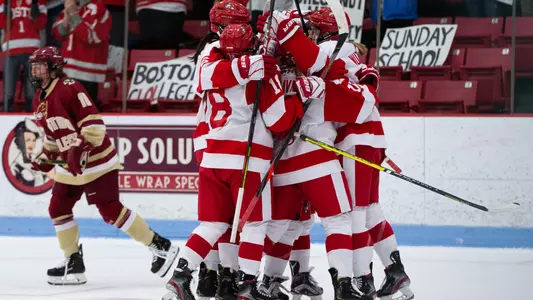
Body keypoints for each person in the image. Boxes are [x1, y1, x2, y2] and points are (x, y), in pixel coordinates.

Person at [163, 23, 300, 300]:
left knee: (212, 226)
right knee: (255, 226)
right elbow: (278, 121)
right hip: (248, 159)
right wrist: (298, 101)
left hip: (213, 157)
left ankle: (180, 276)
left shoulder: (212, 69)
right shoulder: (260, 71)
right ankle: (248, 286)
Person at [28, 46, 179, 285]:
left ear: (54, 69)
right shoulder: (39, 99)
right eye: (33, 66)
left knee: (110, 210)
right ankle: (73, 262)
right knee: (58, 207)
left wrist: (81, 149)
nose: (35, 71)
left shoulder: (70, 88)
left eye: (41, 66)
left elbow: (94, 124)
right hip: (71, 166)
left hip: (97, 160)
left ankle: (160, 246)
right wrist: (45, 157)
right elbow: (53, 138)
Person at [306, 8, 415, 300]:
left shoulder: (326, 50)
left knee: (353, 214)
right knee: (370, 210)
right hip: (371, 134)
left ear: (324, 30)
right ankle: (396, 272)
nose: (310, 34)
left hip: (353, 137)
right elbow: (366, 78)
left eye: (314, 29)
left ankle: (362, 279)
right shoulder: (348, 49)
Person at [52, 0, 111, 110]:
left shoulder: (99, 9)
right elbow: (59, 34)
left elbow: (89, 36)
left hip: (87, 74)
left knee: (85, 116)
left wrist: (74, 14)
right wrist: (67, 16)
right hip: (66, 71)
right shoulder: (72, 7)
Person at [0, 0, 46, 112]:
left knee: (31, 92)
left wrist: (36, 14)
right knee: (8, 94)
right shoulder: (5, 1)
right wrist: (6, 13)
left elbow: (42, 24)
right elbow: (2, 24)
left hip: (32, 49)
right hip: (10, 49)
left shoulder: (38, 1)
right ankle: (5, 123)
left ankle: (32, 122)